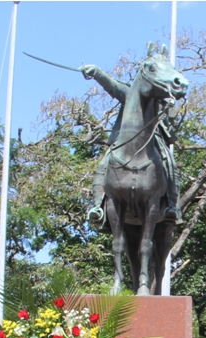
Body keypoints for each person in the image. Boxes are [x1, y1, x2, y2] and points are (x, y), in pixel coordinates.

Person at [81, 48, 182, 229]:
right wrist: (96, 72)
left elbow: (170, 129)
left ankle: (172, 207)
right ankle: (97, 207)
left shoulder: (162, 100)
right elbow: (112, 86)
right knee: (105, 162)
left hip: (154, 140)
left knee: (170, 162)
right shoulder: (130, 93)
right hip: (127, 140)